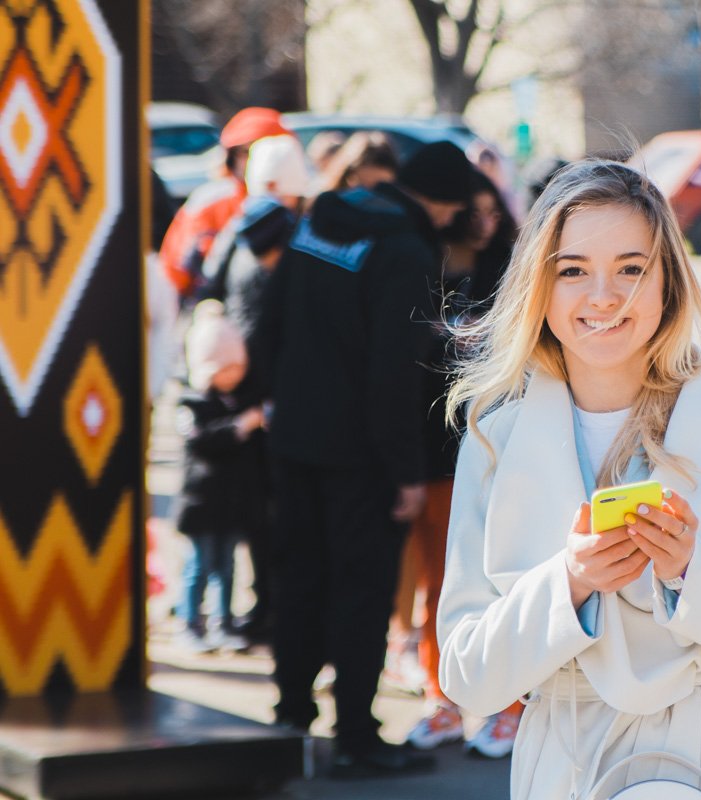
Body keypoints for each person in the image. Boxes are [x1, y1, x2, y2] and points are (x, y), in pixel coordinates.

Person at [437, 160, 701, 799]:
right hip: (568, 762)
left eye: (632, 268)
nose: (604, 296)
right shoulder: (496, 441)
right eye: (573, 271)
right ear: (538, 286)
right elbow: (467, 676)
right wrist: (569, 582)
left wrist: (691, 573)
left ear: (668, 284)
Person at [255, 140, 473, 778]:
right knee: (361, 590)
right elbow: (392, 374)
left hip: (295, 441)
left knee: (297, 577)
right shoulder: (404, 251)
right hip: (362, 457)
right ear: (443, 202)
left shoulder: (315, 225)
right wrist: (405, 472)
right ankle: (356, 733)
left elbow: (269, 325)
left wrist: (285, 404)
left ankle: (291, 715)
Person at [404, 169, 520, 757]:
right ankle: (442, 698)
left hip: (501, 449)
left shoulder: (515, 273)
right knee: (438, 585)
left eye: (491, 208)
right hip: (435, 451)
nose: (482, 221)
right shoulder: (418, 266)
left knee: (505, 579)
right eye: (470, 209)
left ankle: (510, 707)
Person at [174, 300, 268, 653]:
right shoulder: (193, 404)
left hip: (231, 502)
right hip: (201, 504)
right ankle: (189, 622)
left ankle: (223, 622)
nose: (232, 376)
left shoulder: (242, 398)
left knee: (227, 567)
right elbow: (202, 441)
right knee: (199, 565)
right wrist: (241, 426)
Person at [158, 107, 291, 299]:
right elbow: (174, 273)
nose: (258, 161)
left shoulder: (301, 206)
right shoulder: (207, 204)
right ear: (232, 156)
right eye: (247, 152)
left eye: (267, 152)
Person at [322, 131, 403, 192]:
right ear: (344, 176)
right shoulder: (328, 202)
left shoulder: (401, 207)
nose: (370, 193)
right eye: (361, 187)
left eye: (380, 187)